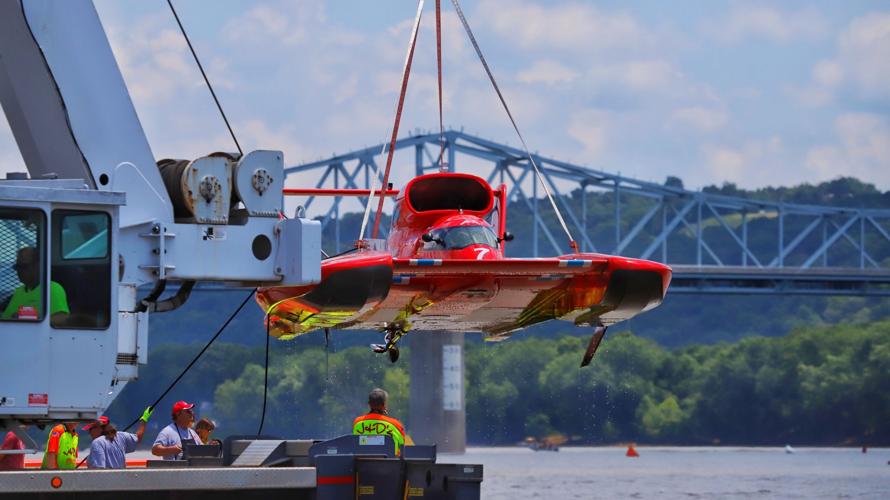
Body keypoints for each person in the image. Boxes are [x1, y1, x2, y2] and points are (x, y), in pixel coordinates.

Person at [1, 247, 68, 321]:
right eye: (17, 267)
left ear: (38, 266)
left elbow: (62, 318)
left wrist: (31, 319)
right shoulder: (18, 291)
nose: (19, 271)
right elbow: (5, 318)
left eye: (24, 267)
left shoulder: (51, 288)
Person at [86, 407, 152, 469]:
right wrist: (144, 419)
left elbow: (99, 470)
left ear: (98, 428)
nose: (89, 433)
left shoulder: (97, 443)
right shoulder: (121, 436)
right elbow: (138, 438)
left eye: (90, 429)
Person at [352, 388, 412, 455]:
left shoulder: (357, 422)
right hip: (390, 464)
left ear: (369, 405)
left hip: (362, 464)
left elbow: (355, 445)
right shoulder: (396, 425)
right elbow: (402, 448)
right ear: (384, 405)